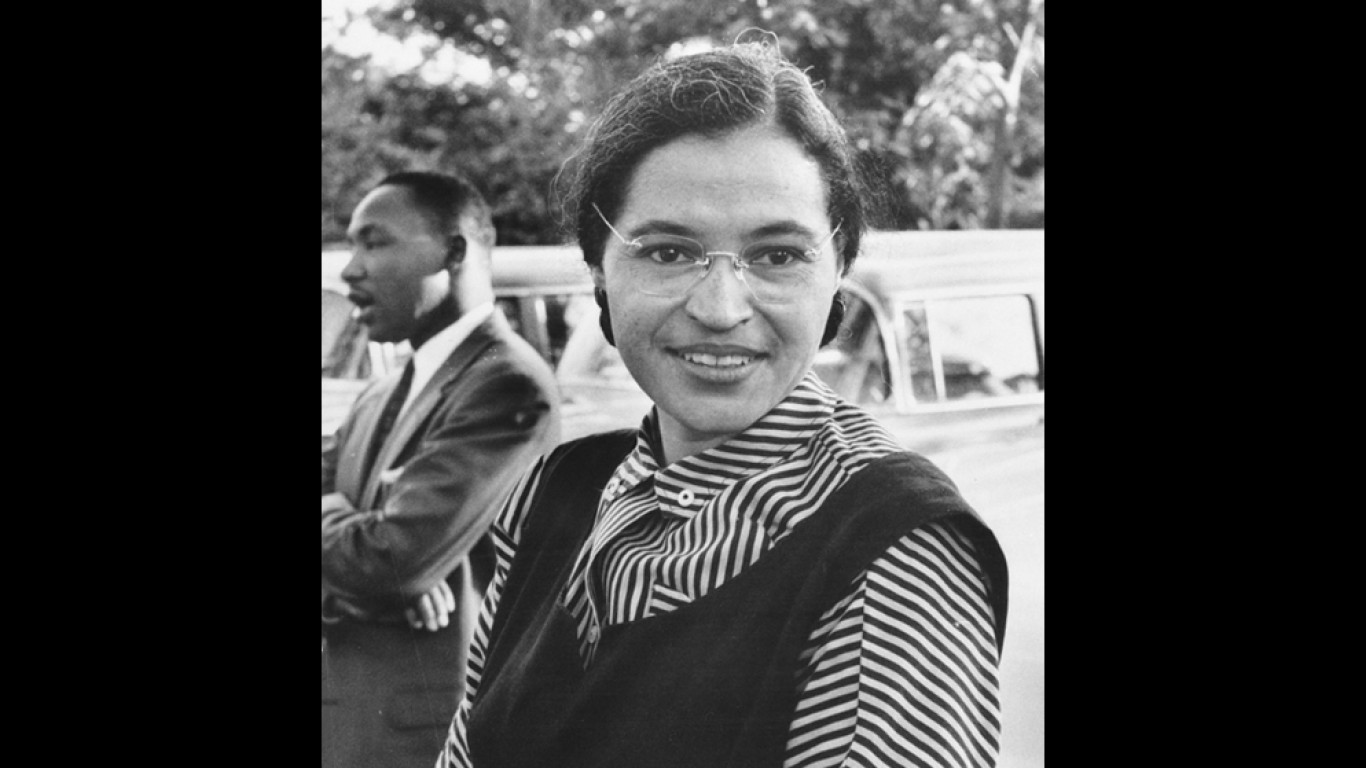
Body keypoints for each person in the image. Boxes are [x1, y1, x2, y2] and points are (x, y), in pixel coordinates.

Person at [439, 37, 1008, 768]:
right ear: (598, 269)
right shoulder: (557, 493)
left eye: (778, 256)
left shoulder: (891, 549)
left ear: (838, 270)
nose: (719, 308)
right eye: (668, 251)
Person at [320, 170, 561, 768]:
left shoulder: (507, 386)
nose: (351, 270)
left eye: (374, 242)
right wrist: (356, 536)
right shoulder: (381, 390)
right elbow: (383, 564)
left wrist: (373, 551)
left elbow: (389, 563)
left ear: (454, 252)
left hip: (427, 742)